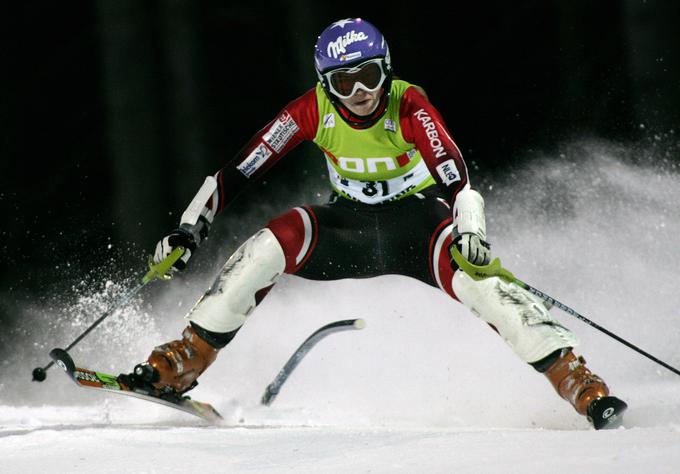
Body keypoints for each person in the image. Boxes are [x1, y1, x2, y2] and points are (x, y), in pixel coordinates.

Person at [120, 18, 626, 429]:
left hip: (418, 227)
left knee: (489, 286)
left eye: (370, 76)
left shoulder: (409, 104)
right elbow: (241, 169)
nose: (360, 91)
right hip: (347, 229)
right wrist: (191, 228)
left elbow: (453, 171)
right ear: (326, 84)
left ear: (387, 71)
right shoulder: (310, 112)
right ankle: (184, 360)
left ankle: (580, 384)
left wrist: (470, 230)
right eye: (344, 81)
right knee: (262, 249)